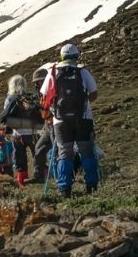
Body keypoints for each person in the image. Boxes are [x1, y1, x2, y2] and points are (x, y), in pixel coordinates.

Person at [40, 44, 99, 197]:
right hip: (83, 118)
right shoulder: (82, 71)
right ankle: (91, 185)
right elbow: (94, 93)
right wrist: (82, 103)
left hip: (60, 121)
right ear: (76, 56)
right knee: (86, 152)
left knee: (64, 153)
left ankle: (64, 188)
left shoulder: (53, 72)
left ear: (61, 56)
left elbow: (44, 95)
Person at [3, 74, 40, 187]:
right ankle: (42, 177)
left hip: (18, 134)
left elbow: (6, 115)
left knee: (20, 159)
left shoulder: (9, 99)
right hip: (34, 132)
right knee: (38, 155)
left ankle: (22, 182)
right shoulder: (30, 97)